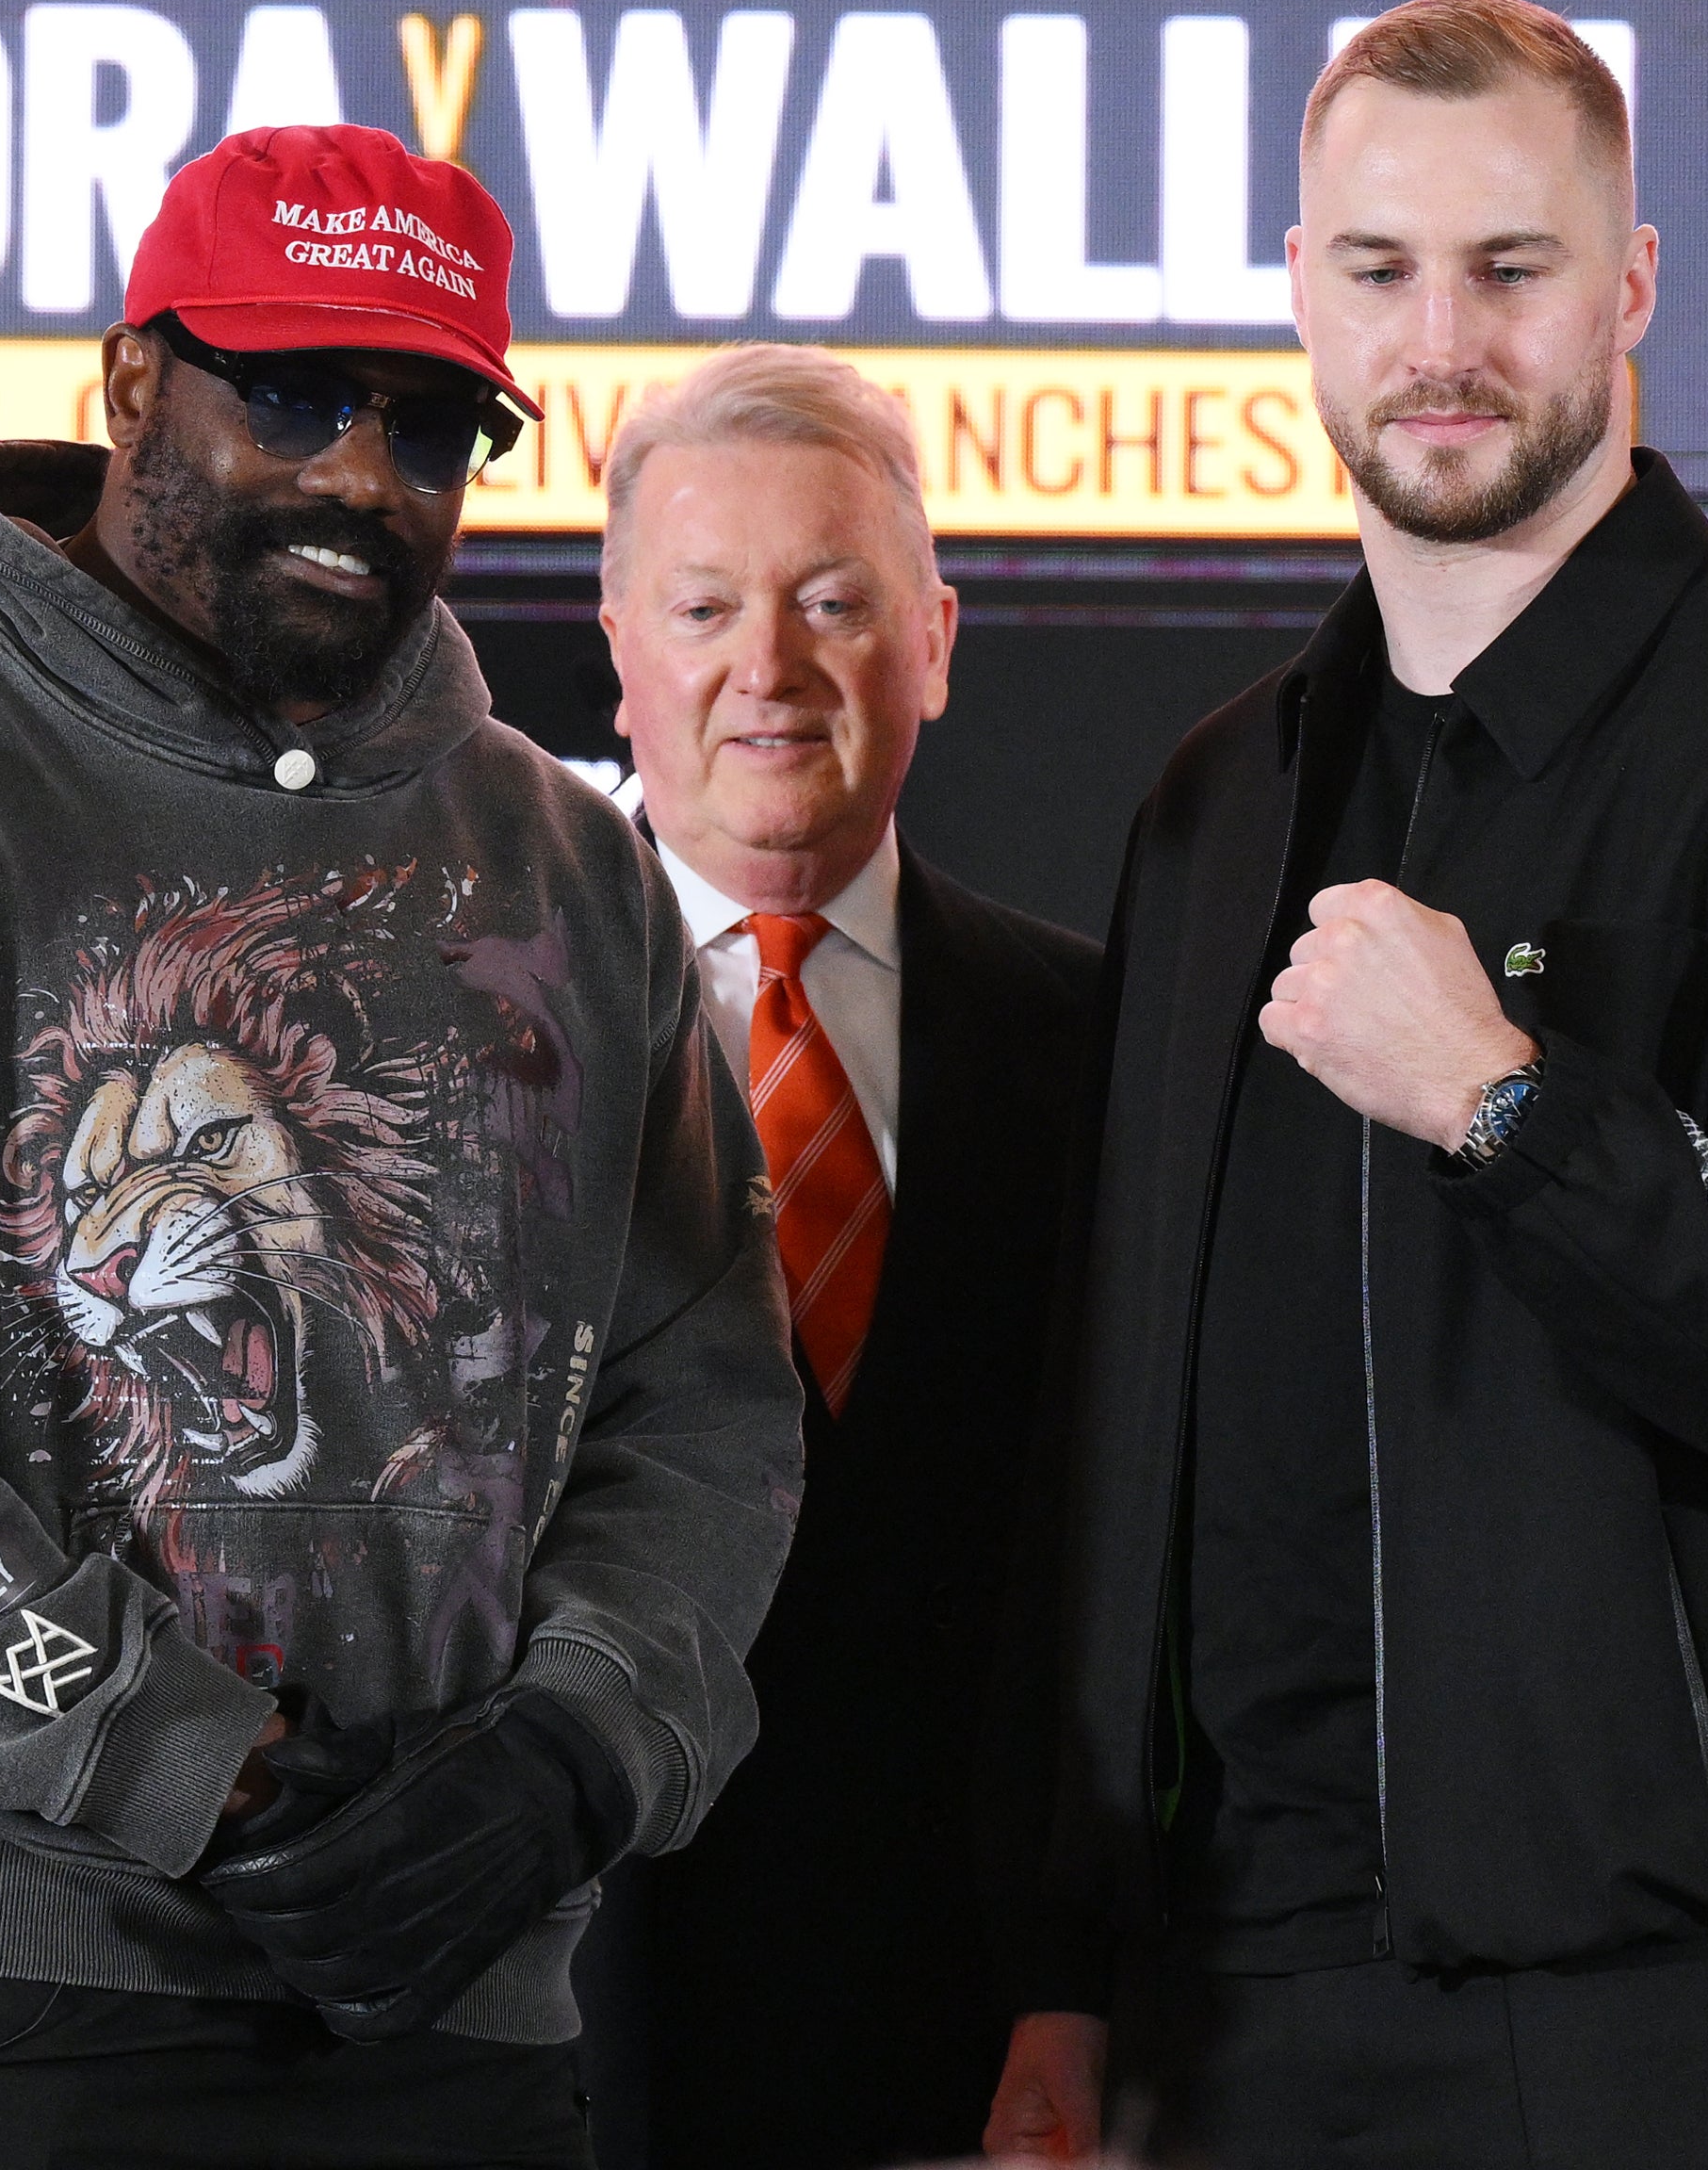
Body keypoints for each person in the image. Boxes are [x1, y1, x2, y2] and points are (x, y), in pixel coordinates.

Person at [0, 123, 804, 2168]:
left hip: (454, 2000)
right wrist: (187, 1766)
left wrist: (578, 1750)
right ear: (136, 376)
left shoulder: (570, 870)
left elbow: (705, 1407)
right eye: (297, 393)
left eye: (427, 425)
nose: (357, 477)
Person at [981, 0, 1708, 2168]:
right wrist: (1067, 1954)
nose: (1439, 337)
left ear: (1631, 284)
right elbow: (1125, 1433)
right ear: (1300, 292)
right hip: (1227, 2010)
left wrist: (1512, 1111)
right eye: (1379, 271)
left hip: (1655, 2011)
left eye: (1512, 267)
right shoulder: (1223, 805)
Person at [579, 344, 1101, 2168]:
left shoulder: (1097, 1052)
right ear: (622, 648)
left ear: (937, 641)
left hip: (972, 2078)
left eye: (833, 604)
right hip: (551, 2058)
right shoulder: (452, 1040)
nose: (769, 670)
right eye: (708, 606)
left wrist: (1085, 1989)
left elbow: (1133, 1599)